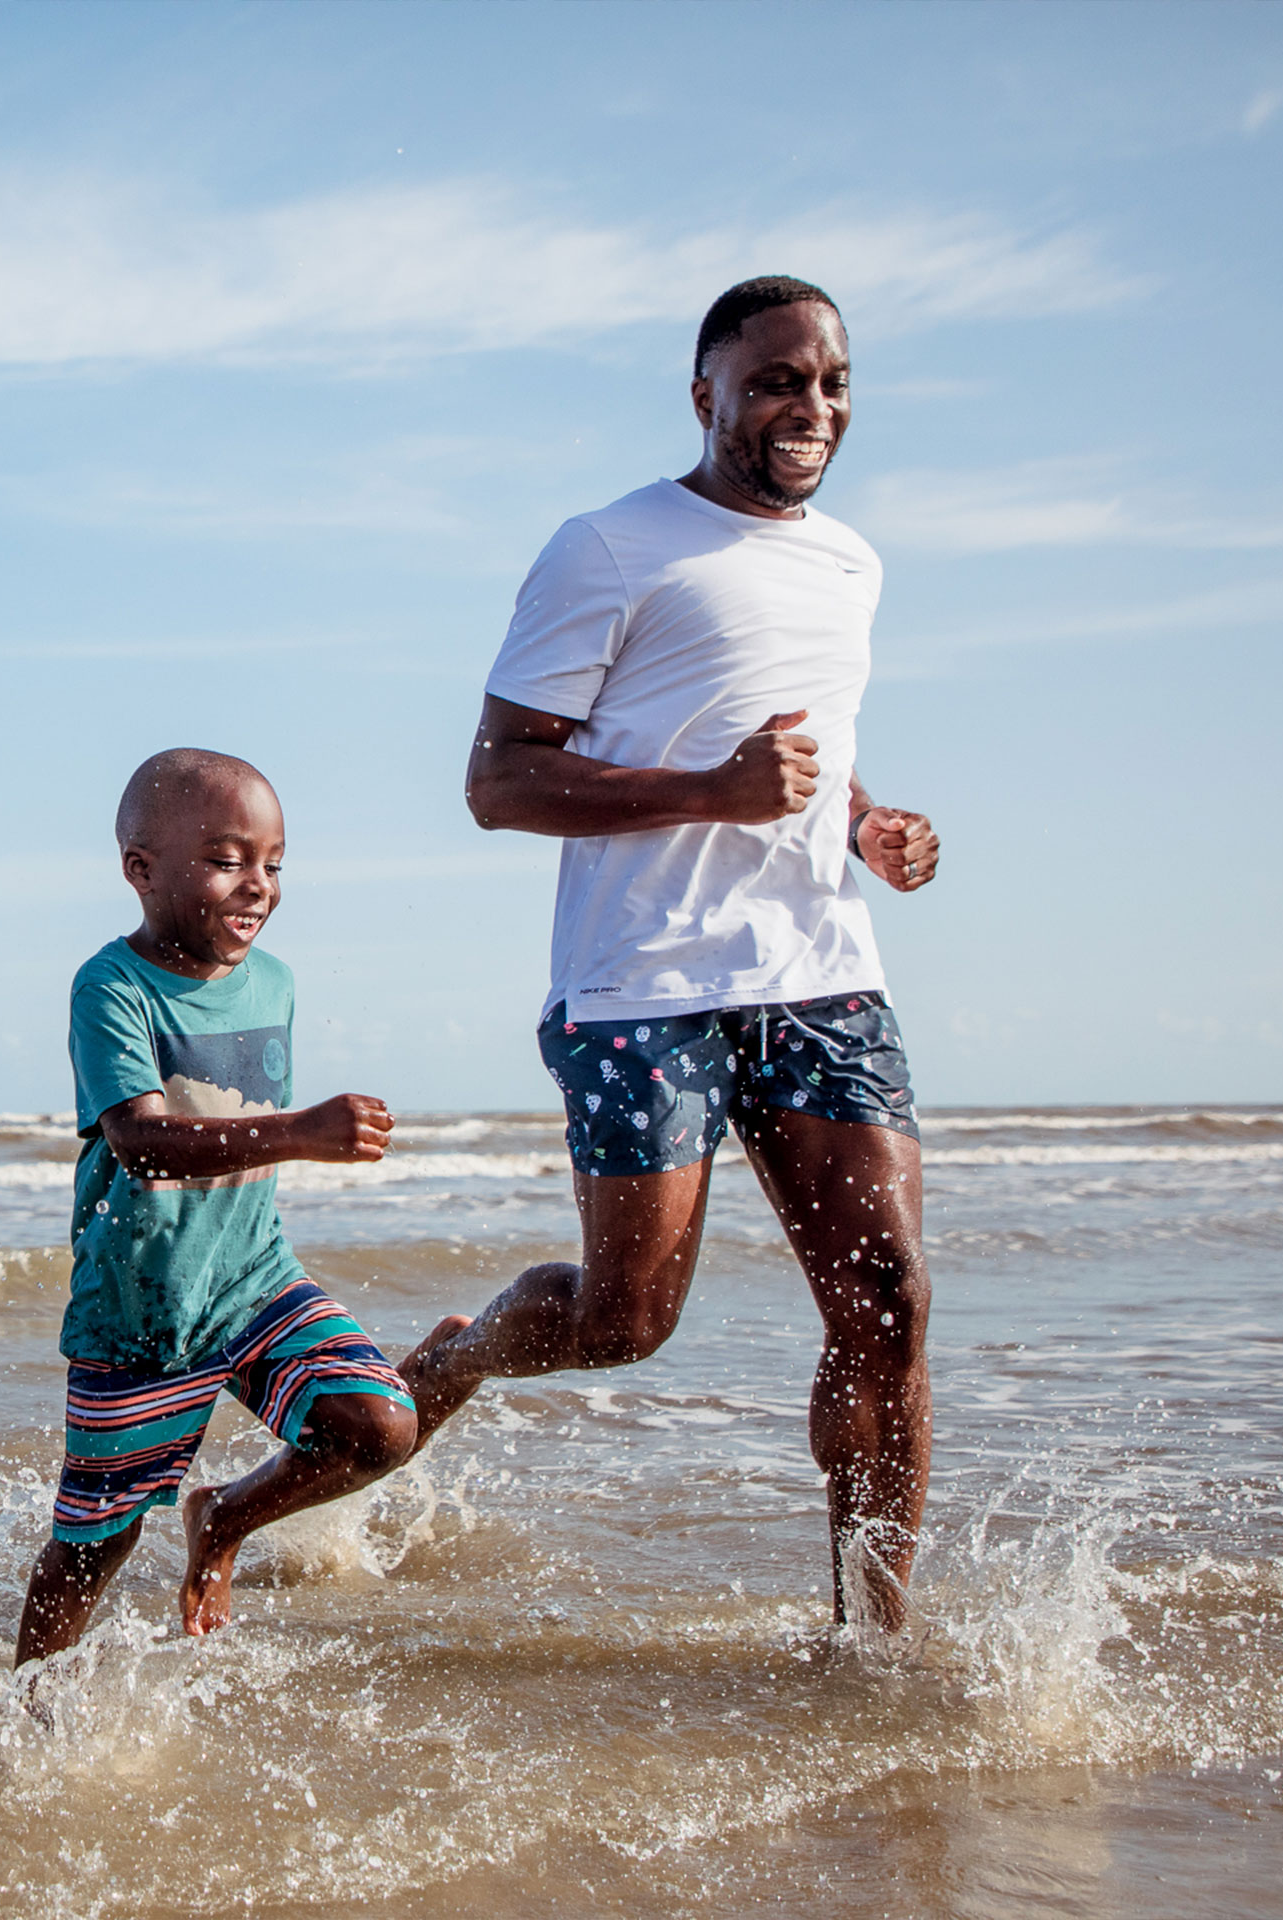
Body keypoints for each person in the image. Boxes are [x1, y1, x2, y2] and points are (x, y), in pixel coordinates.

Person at [401, 276, 945, 1630]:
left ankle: (871, 1644)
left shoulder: (854, 562)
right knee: (624, 1323)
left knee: (890, 1307)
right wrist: (709, 791)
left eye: (829, 382)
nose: (807, 408)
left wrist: (873, 822)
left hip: (821, 970)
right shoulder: (608, 547)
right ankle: (463, 1359)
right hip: (644, 987)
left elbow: (820, 758)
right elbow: (497, 781)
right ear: (704, 395)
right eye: (773, 382)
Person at [15, 748, 416, 1664]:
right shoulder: (111, 987)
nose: (258, 886)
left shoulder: (272, 980)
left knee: (377, 1427)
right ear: (141, 870)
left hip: (255, 1279)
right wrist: (301, 1132)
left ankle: (225, 1519)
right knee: (96, 1543)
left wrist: (294, 1137)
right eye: (228, 859)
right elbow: (144, 1144)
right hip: (143, 1308)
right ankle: (28, 1709)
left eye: (274, 864)